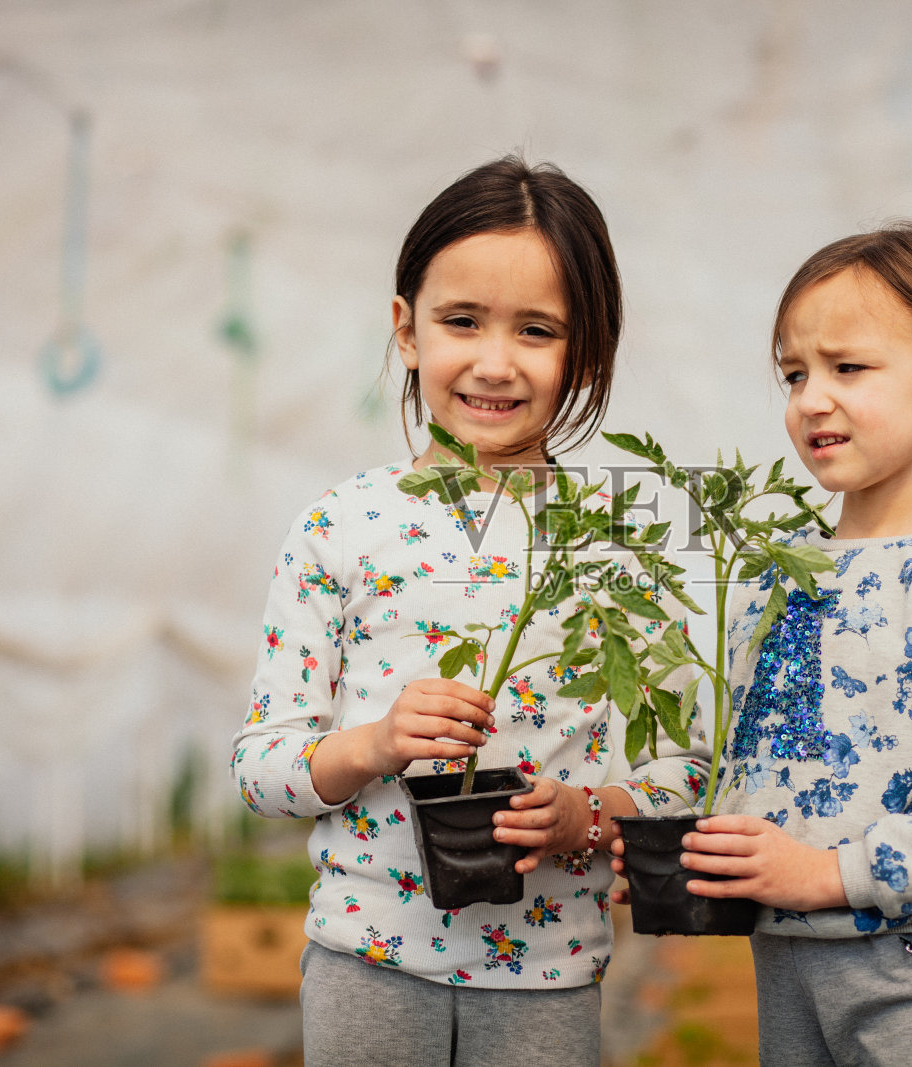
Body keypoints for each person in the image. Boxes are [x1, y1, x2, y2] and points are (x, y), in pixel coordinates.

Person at [232, 157, 704, 1067]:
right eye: (461, 321)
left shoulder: (625, 545)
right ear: (406, 329)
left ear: (587, 354)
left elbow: (682, 775)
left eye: (537, 329)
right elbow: (260, 769)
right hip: (364, 965)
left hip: (547, 977)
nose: (494, 361)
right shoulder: (340, 526)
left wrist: (587, 818)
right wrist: (374, 742)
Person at [658, 222, 912, 1066]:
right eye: (795, 373)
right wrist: (624, 823)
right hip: (784, 959)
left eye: (848, 368)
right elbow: (727, 761)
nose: (811, 397)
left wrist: (829, 873)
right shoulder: (778, 573)